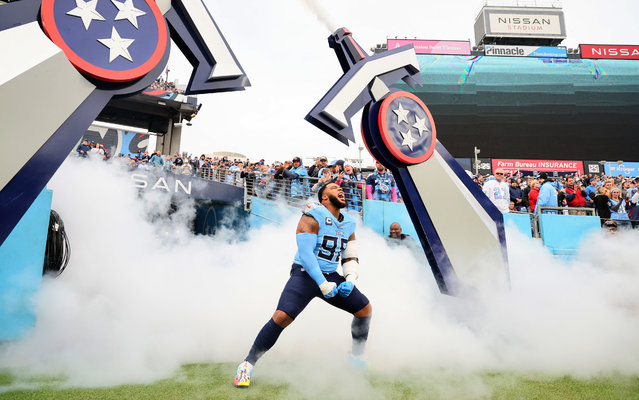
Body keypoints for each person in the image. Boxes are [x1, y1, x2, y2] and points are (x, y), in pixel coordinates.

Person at [233, 183, 372, 388]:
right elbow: (306, 255)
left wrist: (350, 279)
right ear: (324, 197)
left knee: (364, 309)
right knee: (282, 316)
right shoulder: (312, 214)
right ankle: (246, 364)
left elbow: (350, 256)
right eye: (334, 188)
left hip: (330, 275)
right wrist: (323, 284)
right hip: (305, 274)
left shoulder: (349, 223)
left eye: (341, 188)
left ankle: (356, 358)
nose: (340, 190)